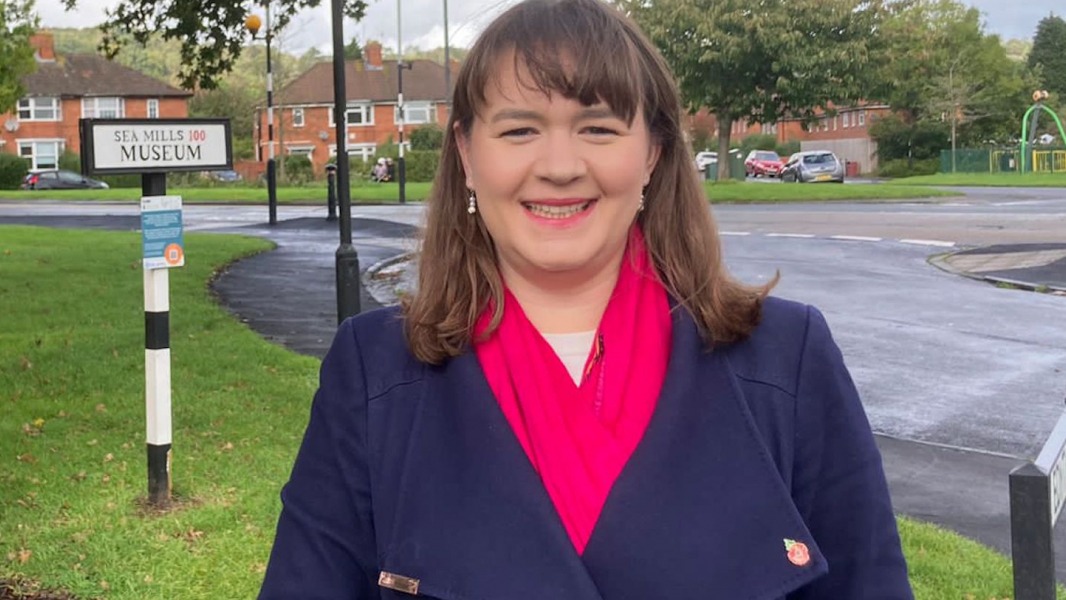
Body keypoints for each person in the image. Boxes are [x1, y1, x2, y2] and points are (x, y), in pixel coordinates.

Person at [259, 0, 914, 597]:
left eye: (598, 129)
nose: (560, 165)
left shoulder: (787, 361)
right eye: (519, 131)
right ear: (466, 153)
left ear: (653, 153)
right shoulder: (374, 372)